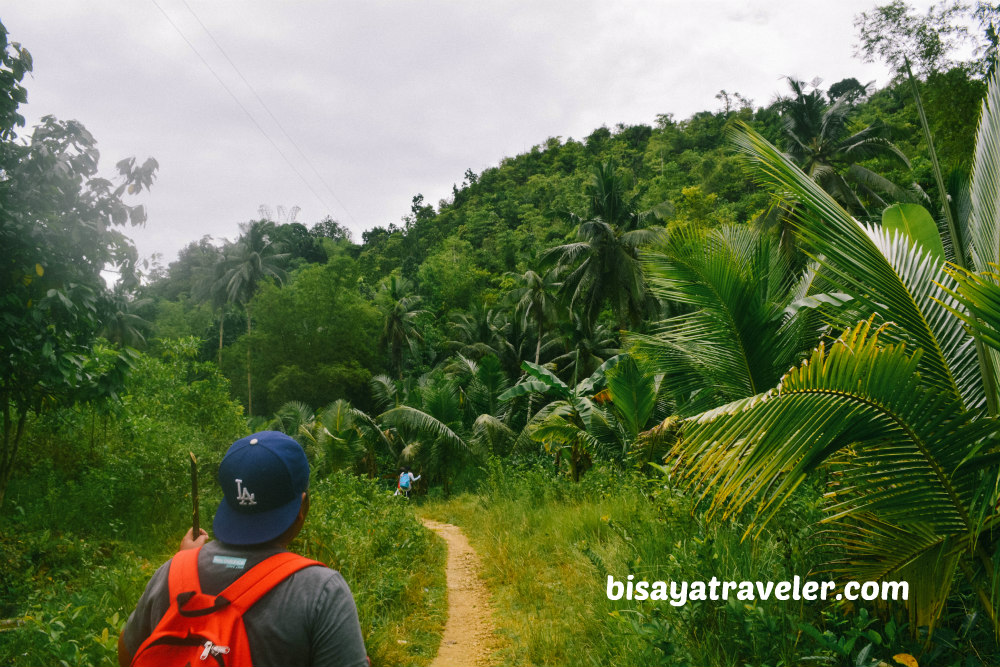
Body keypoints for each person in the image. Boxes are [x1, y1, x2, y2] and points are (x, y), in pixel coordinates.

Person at [117, 431, 369, 667]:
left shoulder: (172, 571)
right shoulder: (321, 592)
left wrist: (186, 561)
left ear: (228, 500)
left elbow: (128, 652)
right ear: (302, 508)